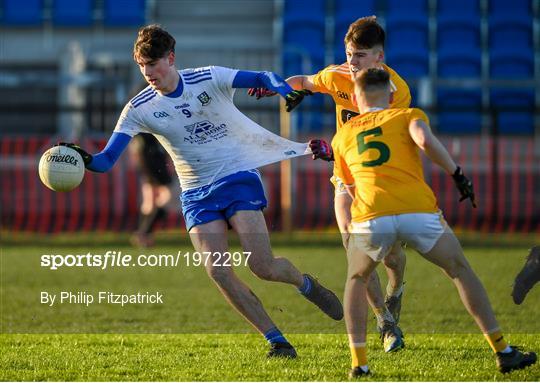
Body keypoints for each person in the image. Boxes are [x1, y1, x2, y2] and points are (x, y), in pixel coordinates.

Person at [59, 24, 343, 358]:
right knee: (218, 271)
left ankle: (305, 285)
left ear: (171, 58)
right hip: (196, 194)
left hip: (236, 177)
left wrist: (284, 90)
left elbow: (264, 77)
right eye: (142, 65)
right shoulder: (139, 107)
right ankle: (277, 341)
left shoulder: (207, 78)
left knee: (262, 267)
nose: (148, 72)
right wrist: (82, 157)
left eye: (154, 63)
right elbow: (106, 161)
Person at [330, 67, 536, 377]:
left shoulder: (342, 134)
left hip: (372, 214)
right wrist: (457, 174)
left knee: (356, 281)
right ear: (389, 94)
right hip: (418, 211)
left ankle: (359, 365)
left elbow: (347, 187)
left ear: (356, 98)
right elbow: (424, 140)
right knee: (459, 270)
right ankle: (503, 350)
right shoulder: (406, 114)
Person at [249, 16, 408, 352]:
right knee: (354, 244)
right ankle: (386, 323)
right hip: (346, 177)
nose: (352, 62)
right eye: (349, 54)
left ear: (379, 57)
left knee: (392, 256)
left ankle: (397, 288)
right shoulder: (337, 75)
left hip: (382, 178)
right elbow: (306, 81)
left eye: (360, 56)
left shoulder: (397, 91)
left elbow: (388, 143)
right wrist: (278, 87)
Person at [129, 132, 173, 247]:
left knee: (150, 204)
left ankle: (143, 234)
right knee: (164, 198)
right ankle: (144, 233)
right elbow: (137, 148)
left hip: (156, 164)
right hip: (151, 166)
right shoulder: (143, 132)